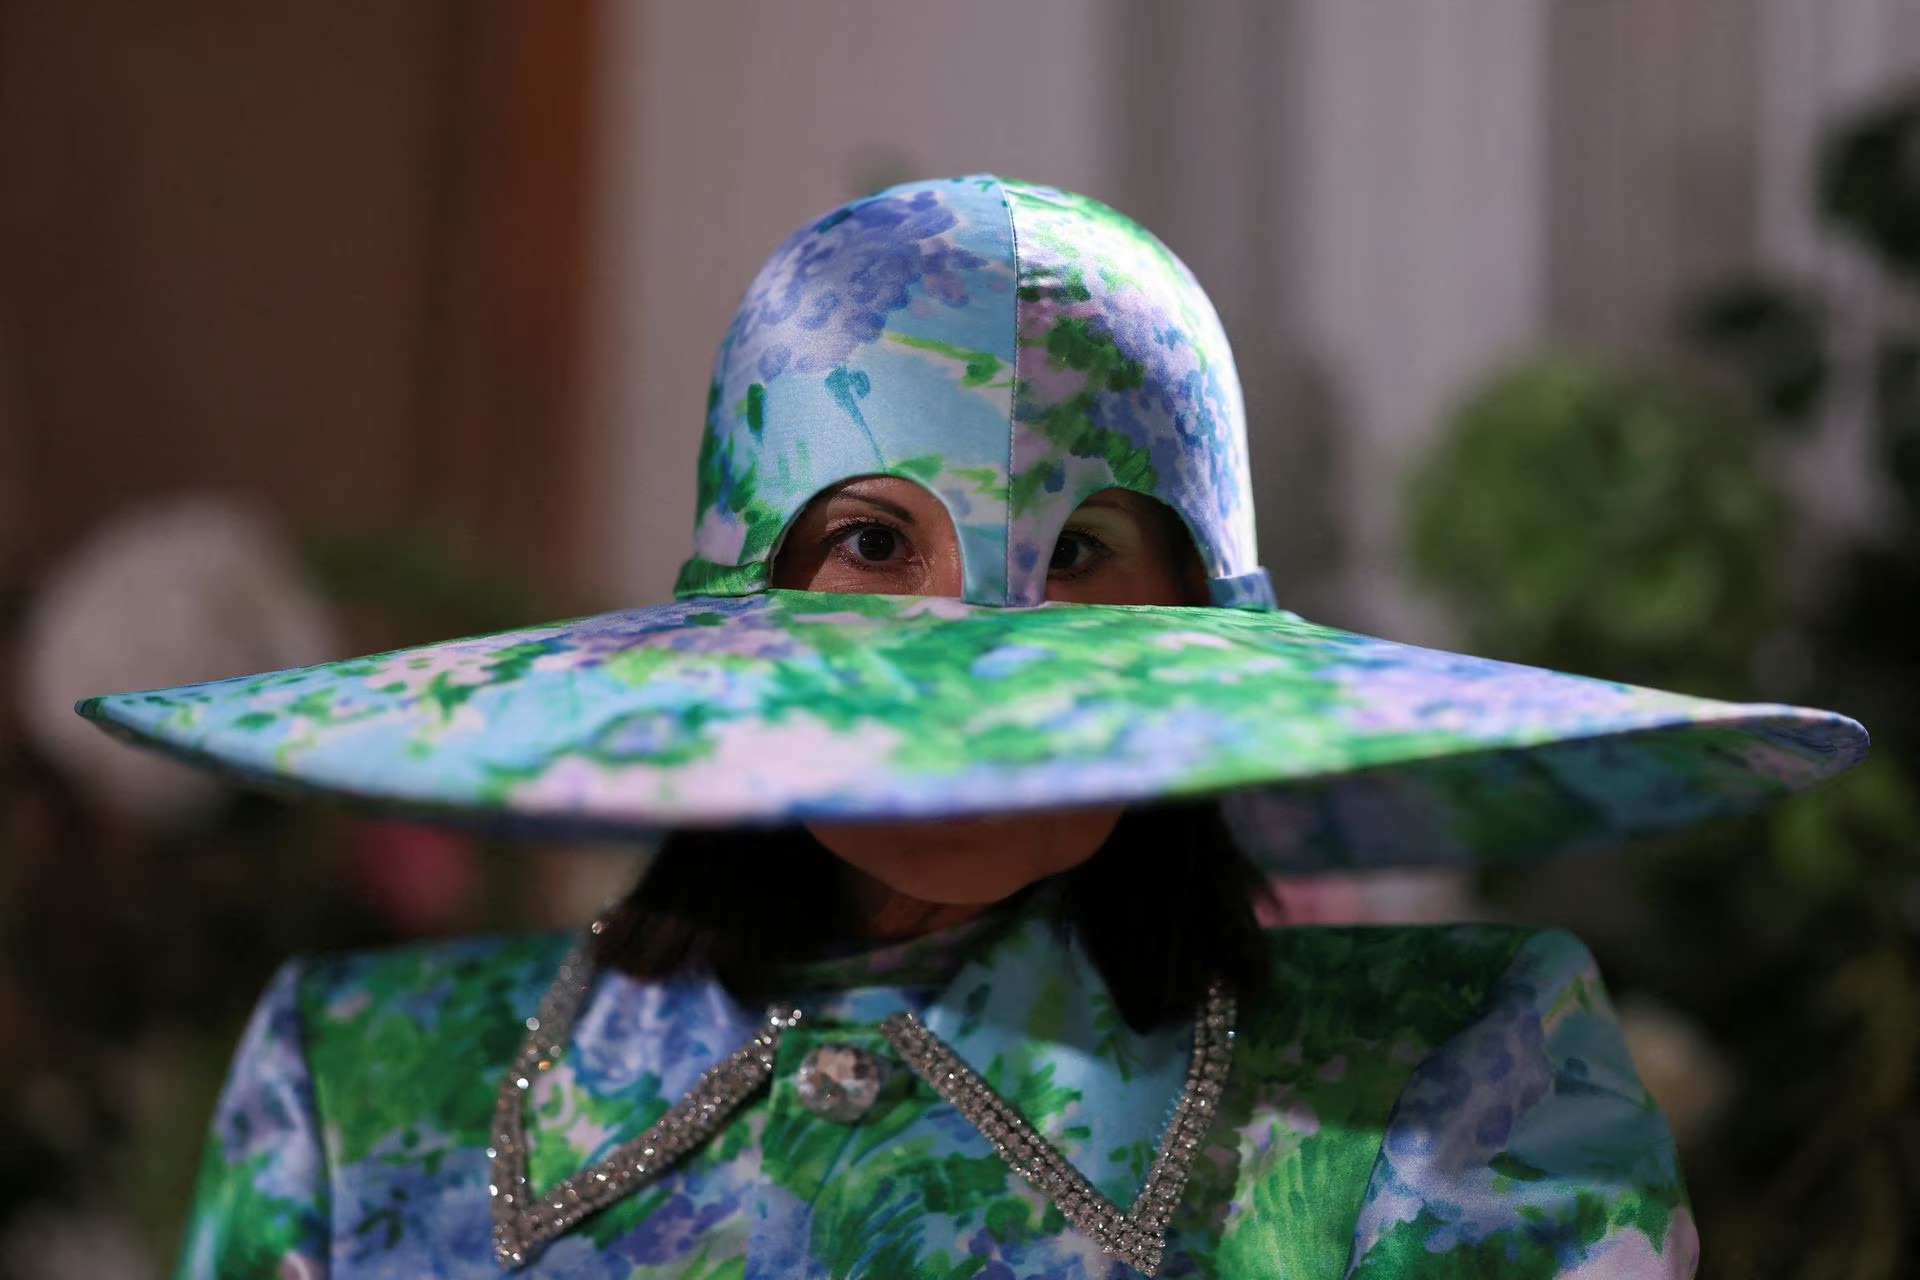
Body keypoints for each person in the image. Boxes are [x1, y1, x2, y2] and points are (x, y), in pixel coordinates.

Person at [82, 176, 1867, 1278]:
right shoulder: (361, 1090)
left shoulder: (1453, 1077)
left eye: (1082, 557)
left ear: (1192, 620)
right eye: (874, 546)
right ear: (751, 604)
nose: (976, 674)